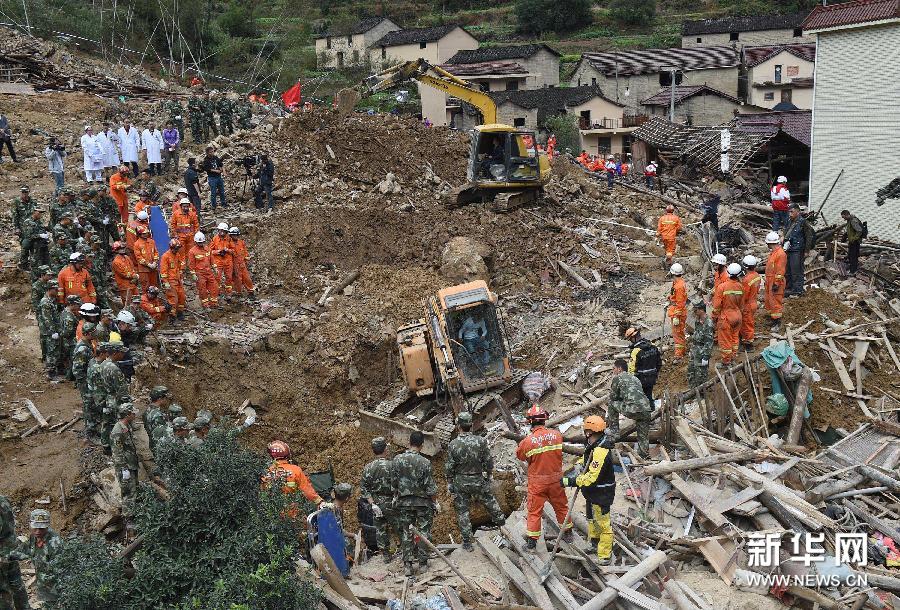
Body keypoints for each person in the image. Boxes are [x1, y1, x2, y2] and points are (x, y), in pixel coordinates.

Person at [445, 412, 505, 552]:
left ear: (458, 426)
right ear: (471, 425)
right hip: (478, 479)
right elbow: (488, 462)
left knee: (463, 512)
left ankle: (467, 542)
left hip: (461, 482)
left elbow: (449, 467)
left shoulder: (453, 444)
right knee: (490, 502)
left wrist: (449, 483)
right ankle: (503, 526)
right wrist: (489, 475)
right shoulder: (481, 441)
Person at [515, 405, 572, 551]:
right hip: (556, 480)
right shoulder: (557, 435)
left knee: (534, 512)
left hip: (537, 483)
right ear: (544, 420)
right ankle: (568, 534)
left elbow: (520, 456)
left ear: (530, 422)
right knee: (562, 507)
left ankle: (532, 544)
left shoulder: (527, 442)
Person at [561, 415, 615, 563]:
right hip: (592, 494)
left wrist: (569, 481)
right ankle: (594, 544)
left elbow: (591, 477)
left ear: (589, 432)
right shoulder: (594, 445)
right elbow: (586, 460)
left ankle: (604, 555)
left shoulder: (601, 451)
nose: (585, 435)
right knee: (592, 520)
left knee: (603, 525)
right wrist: (579, 465)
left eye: (586, 432)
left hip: (601, 494)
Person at [392, 430, 438, 576]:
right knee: (424, 531)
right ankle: (423, 564)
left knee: (406, 531)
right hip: (422, 503)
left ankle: (408, 565)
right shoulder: (425, 462)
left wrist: (396, 495)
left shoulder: (397, 460)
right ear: (422, 445)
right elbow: (430, 487)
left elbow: (394, 483)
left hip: (404, 503)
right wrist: (435, 503)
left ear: (409, 442)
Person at [262, 440, 329, 518]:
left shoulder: (266, 472)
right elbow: (307, 491)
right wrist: (320, 502)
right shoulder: (295, 470)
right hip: (292, 515)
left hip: (272, 516)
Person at [6, 510, 61, 604]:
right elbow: (25, 551)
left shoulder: (55, 543)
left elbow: (61, 570)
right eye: (35, 527)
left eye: (42, 528)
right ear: (30, 524)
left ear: (47, 526)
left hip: (54, 587)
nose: (38, 531)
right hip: (42, 584)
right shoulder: (34, 537)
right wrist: (6, 557)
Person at [360, 437, 398, 562]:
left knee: (381, 530)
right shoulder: (393, 465)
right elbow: (399, 484)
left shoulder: (368, 468)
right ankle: (407, 553)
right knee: (400, 528)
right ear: (385, 449)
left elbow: (364, 489)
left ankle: (386, 556)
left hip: (377, 504)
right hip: (393, 502)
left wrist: (372, 504)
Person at [99, 341, 131, 453]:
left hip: (107, 397)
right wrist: (128, 404)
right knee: (115, 424)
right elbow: (122, 391)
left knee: (106, 422)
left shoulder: (103, 364)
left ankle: (105, 445)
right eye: (121, 352)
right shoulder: (114, 369)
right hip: (114, 399)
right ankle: (116, 447)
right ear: (115, 353)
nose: (123, 355)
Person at [0, 494, 30, 610]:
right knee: (16, 582)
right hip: (11, 548)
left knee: (3, 590)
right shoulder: (3, 498)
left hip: (2, 553)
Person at [111, 402, 140, 524]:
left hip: (131, 464)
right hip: (125, 466)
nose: (134, 415)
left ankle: (135, 512)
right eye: (133, 413)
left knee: (134, 490)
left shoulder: (126, 427)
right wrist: (124, 469)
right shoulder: (118, 431)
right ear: (127, 415)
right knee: (128, 492)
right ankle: (129, 520)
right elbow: (117, 452)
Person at [712, 263, 744, 365]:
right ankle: (733, 356)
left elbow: (717, 306)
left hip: (726, 317)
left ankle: (726, 361)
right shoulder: (740, 287)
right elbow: (742, 304)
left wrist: (714, 317)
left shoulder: (722, 287)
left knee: (725, 340)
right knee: (735, 337)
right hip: (737, 316)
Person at [72, 322, 99, 440]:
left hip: (88, 380)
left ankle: (93, 426)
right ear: (88, 334)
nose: (96, 334)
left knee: (91, 404)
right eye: (93, 332)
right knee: (89, 405)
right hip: (85, 382)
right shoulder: (82, 349)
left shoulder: (87, 344)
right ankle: (90, 432)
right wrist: (86, 382)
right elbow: (77, 370)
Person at [624, 327, 662, 403]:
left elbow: (631, 369)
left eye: (630, 340)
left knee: (640, 401)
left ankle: (645, 413)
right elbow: (659, 363)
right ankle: (652, 410)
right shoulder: (652, 346)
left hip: (640, 380)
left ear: (633, 338)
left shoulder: (636, 351)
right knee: (649, 397)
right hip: (652, 377)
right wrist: (654, 373)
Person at [687, 302, 715, 387]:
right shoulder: (698, 320)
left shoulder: (708, 323)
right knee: (691, 371)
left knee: (701, 374)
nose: (694, 312)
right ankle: (692, 391)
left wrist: (706, 356)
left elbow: (709, 341)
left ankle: (702, 395)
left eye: (696, 310)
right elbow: (696, 334)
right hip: (695, 349)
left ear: (702, 310)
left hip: (702, 351)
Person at [37, 281, 61, 379]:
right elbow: (47, 319)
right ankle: (51, 373)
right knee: (51, 351)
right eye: (55, 290)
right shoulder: (45, 302)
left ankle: (53, 369)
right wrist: (53, 332)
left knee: (53, 350)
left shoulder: (51, 300)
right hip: (48, 331)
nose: (57, 292)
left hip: (50, 329)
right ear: (50, 289)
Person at [188, 232, 219, 308]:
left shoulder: (207, 249)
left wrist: (215, 268)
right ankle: (205, 304)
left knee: (214, 286)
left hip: (209, 272)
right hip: (200, 274)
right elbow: (191, 264)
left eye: (202, 242)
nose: (201, 244)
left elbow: (212, 260)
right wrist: (193, 274)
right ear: (195, 242)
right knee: (202, 289)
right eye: (199, 242)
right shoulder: (192, 251)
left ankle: (213, 302)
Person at [763, 231, 787, 329]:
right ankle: (773, 319)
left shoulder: (780, 254)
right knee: (770, 301)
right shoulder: (773, 253)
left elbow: (780, 270)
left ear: (770, 243)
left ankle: (777, 322)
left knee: (776, 302)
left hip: (776, 282)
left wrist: (776, 283)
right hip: (770, 280)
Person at [783, 204, 807, 297]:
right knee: (788, 269)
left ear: (798, 212)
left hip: (797, 249)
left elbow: (809, 236)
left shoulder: (803, 222)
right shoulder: (789, 221)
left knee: (796, 270)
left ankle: (797, 290)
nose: (790, 214)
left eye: (792, 212)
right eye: (789, 212)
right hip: (789, 248)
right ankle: (789, 287)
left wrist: (807, 250)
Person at [160, 239, 186, 320]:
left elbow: (179, 267)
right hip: (170, 281)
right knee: (173, 299)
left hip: (177, 280)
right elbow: (163, 270)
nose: (177, 250)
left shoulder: (177, 255)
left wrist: (181, 278)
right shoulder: (165, 256)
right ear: (171, 247)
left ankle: (180, 312)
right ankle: (172, 315)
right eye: (176, 248)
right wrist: (166, 282)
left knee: (182, 296)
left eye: (178, 248)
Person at [740, 255, 762, 348]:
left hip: (747, 304)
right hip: (754, 302)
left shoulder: (746, 280)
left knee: (747, 324)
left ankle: (748, 344)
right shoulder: (757, 276)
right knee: (749, 321)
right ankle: (745, 338)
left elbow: (744, 296)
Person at [667, 263, 688, 359]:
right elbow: (675, 296)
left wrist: (676, 316)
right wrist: (670, 299)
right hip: (676, 310)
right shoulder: (678, 283)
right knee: (679, 333)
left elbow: (680, 302)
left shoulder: (679, 286)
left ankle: (679, 354)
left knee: (677, 333)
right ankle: (682, 351)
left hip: (678, 312)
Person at [229, 227, 254, 297]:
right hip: (235, 265)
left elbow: (245, 251)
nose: (235, 236)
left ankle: (251, 292)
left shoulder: (241, 242)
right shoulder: (229, 244)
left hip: (242, 264)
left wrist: (246, 258)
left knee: (247, 278)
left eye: (237, 235)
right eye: (234, 235)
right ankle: (238, 293)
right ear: (231, 235)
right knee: (238, 281)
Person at [841, 209, 865, 275]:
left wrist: (854, 239)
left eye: (844, 217)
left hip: (855, 242)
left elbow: (859, 231)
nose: (843, 218)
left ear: (847, 214)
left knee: (853, 256)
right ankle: (852, 268)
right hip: (852, 241)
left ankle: (853, 271)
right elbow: (850, 230)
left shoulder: (853, 221)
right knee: (850, 255)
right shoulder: (849, 221)